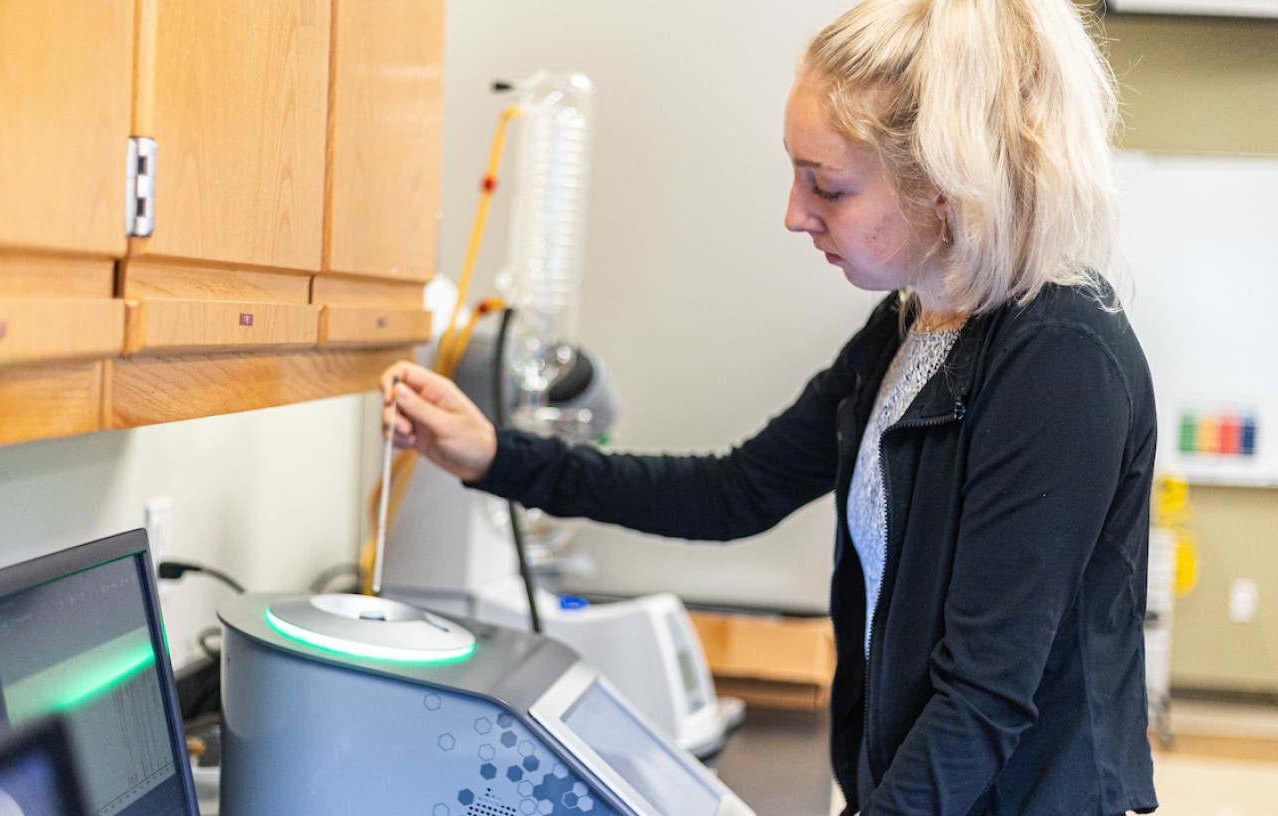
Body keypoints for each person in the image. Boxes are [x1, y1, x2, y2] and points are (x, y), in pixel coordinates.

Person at [381, 0, 1158, 812]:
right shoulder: (913, 326)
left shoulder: (1059, 360)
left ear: (944, 184)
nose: (796, 214)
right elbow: (734, 491)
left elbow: (983, 699)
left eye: (829, 186)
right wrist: (496, 457)